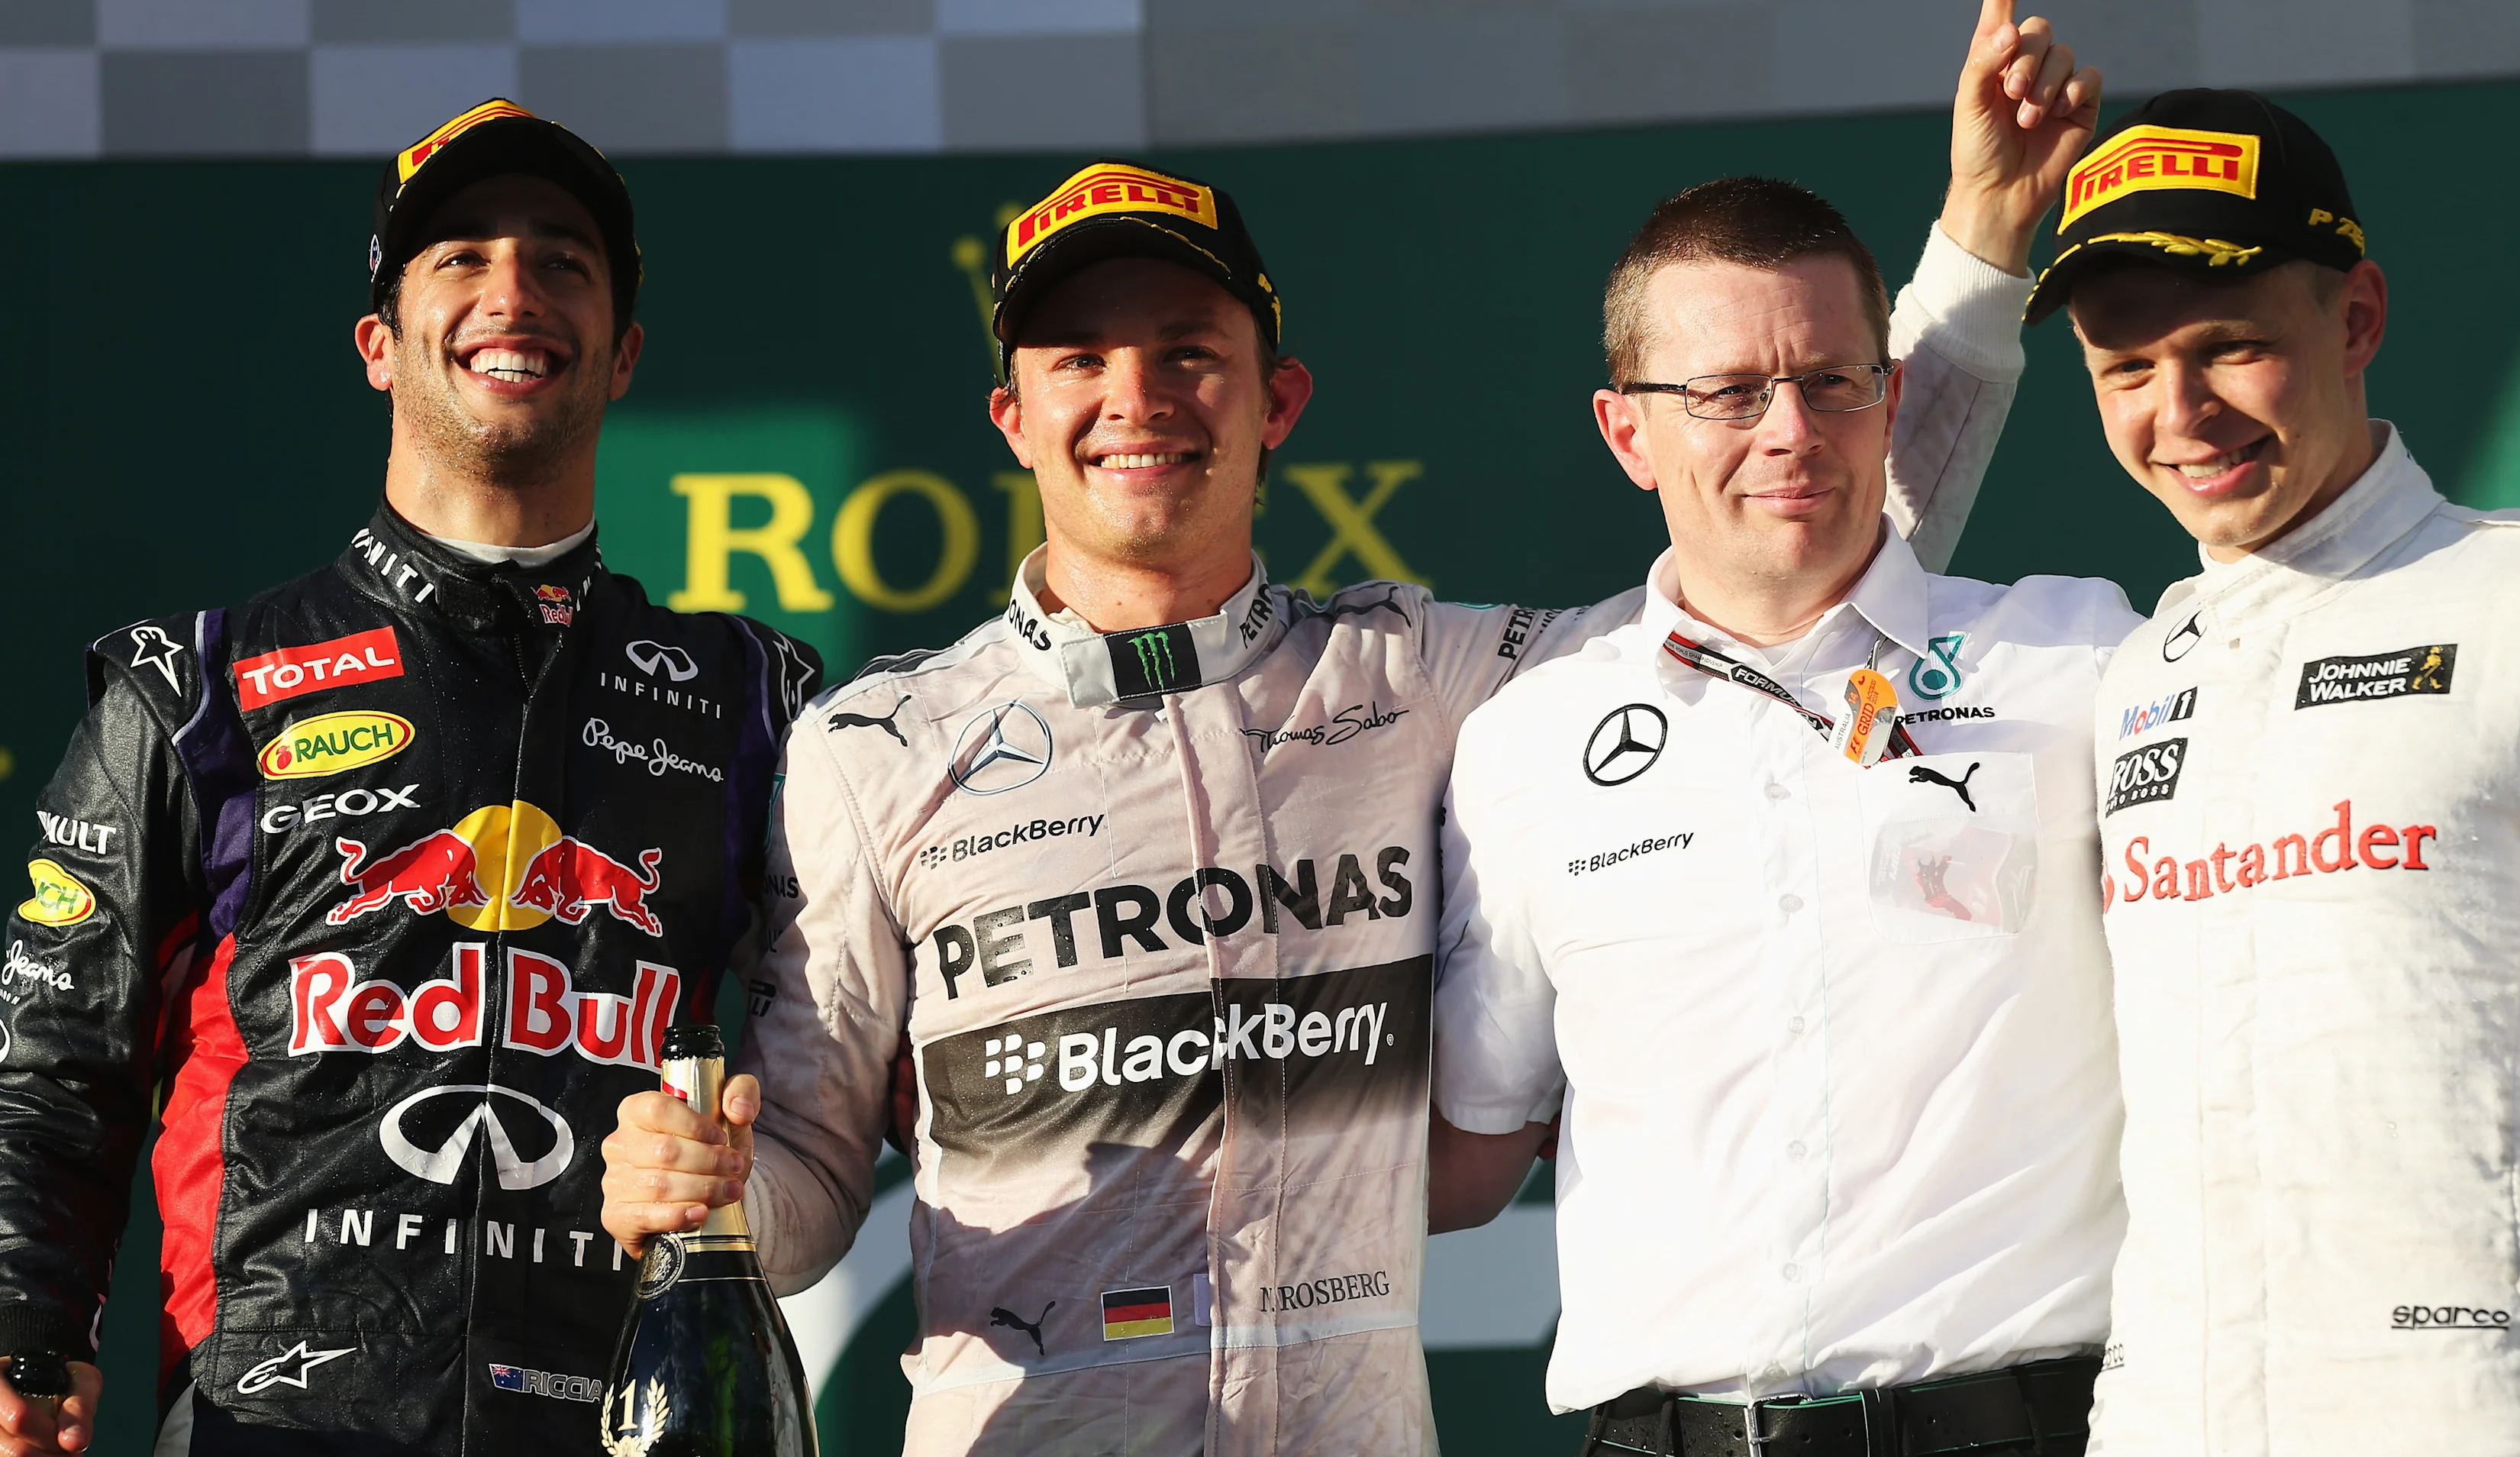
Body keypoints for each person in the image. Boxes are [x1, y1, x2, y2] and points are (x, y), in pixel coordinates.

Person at [598, 5, 2095, 1449]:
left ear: (1280, 402)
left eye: (1190, 351)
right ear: (1013, 418)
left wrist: (1978, 240)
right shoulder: (876, 749)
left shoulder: (1433, 682)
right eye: (1079, 359)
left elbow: (1792, 543)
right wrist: (706, 1191)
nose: (1138, 397)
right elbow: (803, 1182)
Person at [0, 99, 821, 1457]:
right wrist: (26, 1323)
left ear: (622, 353)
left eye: (563, 261)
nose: (515, 292)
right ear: (379, 345)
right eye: (462, 257)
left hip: (620, 1417)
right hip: (276, 1418)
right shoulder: (200, 684)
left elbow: (849, 1060)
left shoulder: (747, 699)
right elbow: (50, 1059)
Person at [1425, 31, 2125, 1457]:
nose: (1790, 431)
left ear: (1890, 400)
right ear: (1628, 434)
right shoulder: (1527, 742)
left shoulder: (2081, 658)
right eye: (1728, 393)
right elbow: (1471, 1151)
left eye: (1831, 381)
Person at [2025, 88, 2520, 1456]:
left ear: (2357, 319)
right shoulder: (2132, 673)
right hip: (2164, 1418)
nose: (2181, 414)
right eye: (2125, 370)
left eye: (2230, 347)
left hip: (2469, 1412)